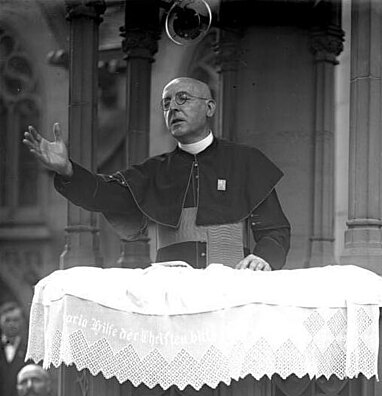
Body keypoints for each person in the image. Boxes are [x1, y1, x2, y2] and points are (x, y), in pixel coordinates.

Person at [23, 77, 290, 271]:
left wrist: (263, 258)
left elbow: (275, 231)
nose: (173, 107)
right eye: (166, 103)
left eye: (183, 98)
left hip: (229, 294)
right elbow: (102, 194)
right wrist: (67, 169)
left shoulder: (247, 162)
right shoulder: (154, 171)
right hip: (170, 299)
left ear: (210, 107)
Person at [0, 301, 28, 396]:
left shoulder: (29, 349)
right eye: (7, 320)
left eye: (15, 320)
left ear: (22, 321)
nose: (11, 324)